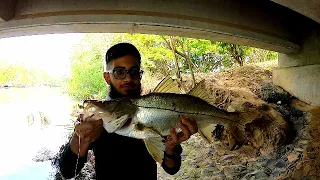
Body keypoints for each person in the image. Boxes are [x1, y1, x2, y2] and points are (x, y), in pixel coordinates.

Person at [58, 42, 198, 180]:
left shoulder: (157, 113)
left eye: (134, 72)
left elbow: (172, 168)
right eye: (119, 72)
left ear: (140, 75)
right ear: (107, 77)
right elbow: (68, 172)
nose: (128, 78)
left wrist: (170, 149)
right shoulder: (97, 117)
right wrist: (79, 139)